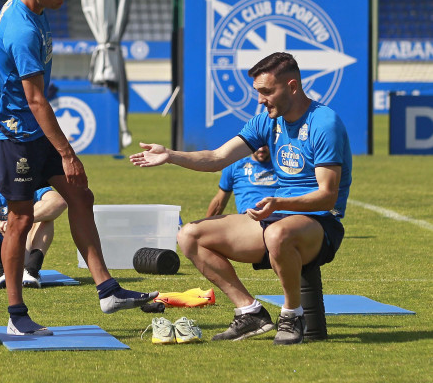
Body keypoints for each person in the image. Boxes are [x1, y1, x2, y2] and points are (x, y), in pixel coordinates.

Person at [0, 0, 157, 336]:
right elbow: (36, 100)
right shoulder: (23, 31)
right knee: (21, 219)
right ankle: (16, 315)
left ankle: (108, 291)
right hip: (16, 136)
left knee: (81, 196)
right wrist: (67, 153)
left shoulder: (24, 2)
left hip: (34, 128)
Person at [130, 52, 351, 345]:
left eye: (267, 91)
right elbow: (216, 157)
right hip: (279, 219)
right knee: (190, 235)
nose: (261, 100)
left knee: (277, 233)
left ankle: (292, 314)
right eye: (258, 92)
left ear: (293, 86)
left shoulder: (324, 122)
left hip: (320, 225)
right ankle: (250, 312)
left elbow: (326, 197)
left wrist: (279, 203)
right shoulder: (266, 121)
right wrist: (171, 155)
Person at [0, 171, 67, 288]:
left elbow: (59, 202)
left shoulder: (29, 182)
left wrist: (20, 220)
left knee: (46, 210)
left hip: (17, 253)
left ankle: (31, 270)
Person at [205, 145, 278, 217]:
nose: (261, 149)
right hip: (250, 216)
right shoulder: (235, 165)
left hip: (279, 215)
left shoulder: (282, 166)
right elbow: (219, 203)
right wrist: (206, 225)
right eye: (258, 145)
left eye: (265, 145)